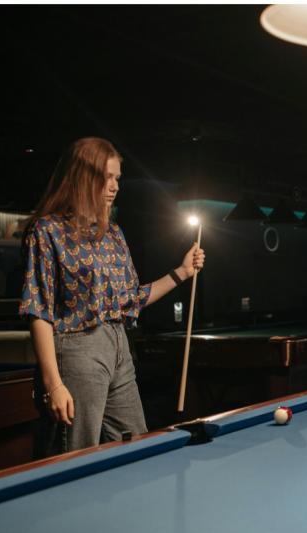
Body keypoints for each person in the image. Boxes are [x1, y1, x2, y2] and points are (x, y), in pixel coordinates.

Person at [20, 137, 206, 456]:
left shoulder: (113, 233)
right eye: (107, 177)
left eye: (117, 178)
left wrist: (182, 272)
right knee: (75, 456)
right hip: (77, 350)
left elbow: (132, 299)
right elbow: (39, 311)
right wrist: (53, 384)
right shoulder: (47, 230)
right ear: (83, 177)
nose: (114, 186)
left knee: (137, 446)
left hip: (119, 346)